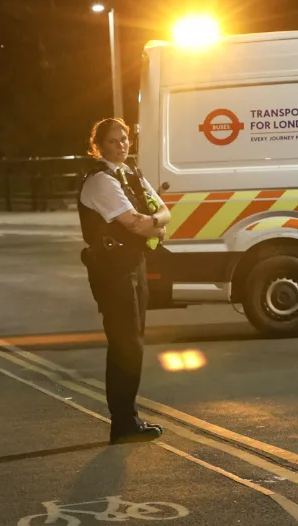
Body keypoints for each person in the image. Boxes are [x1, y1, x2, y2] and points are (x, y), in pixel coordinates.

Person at [77, 117, 171, 445]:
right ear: (99, 145)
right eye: (114, 141)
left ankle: (128, 417)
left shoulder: (131, 174)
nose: (122, 145)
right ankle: (123, 422)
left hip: (134, 264)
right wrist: (155, 226)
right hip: (112, 269)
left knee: (134, 341)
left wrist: (155, 222)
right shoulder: (101, 180)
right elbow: (133, 224)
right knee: (124, 343)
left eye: (125, 139)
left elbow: (163, 211)